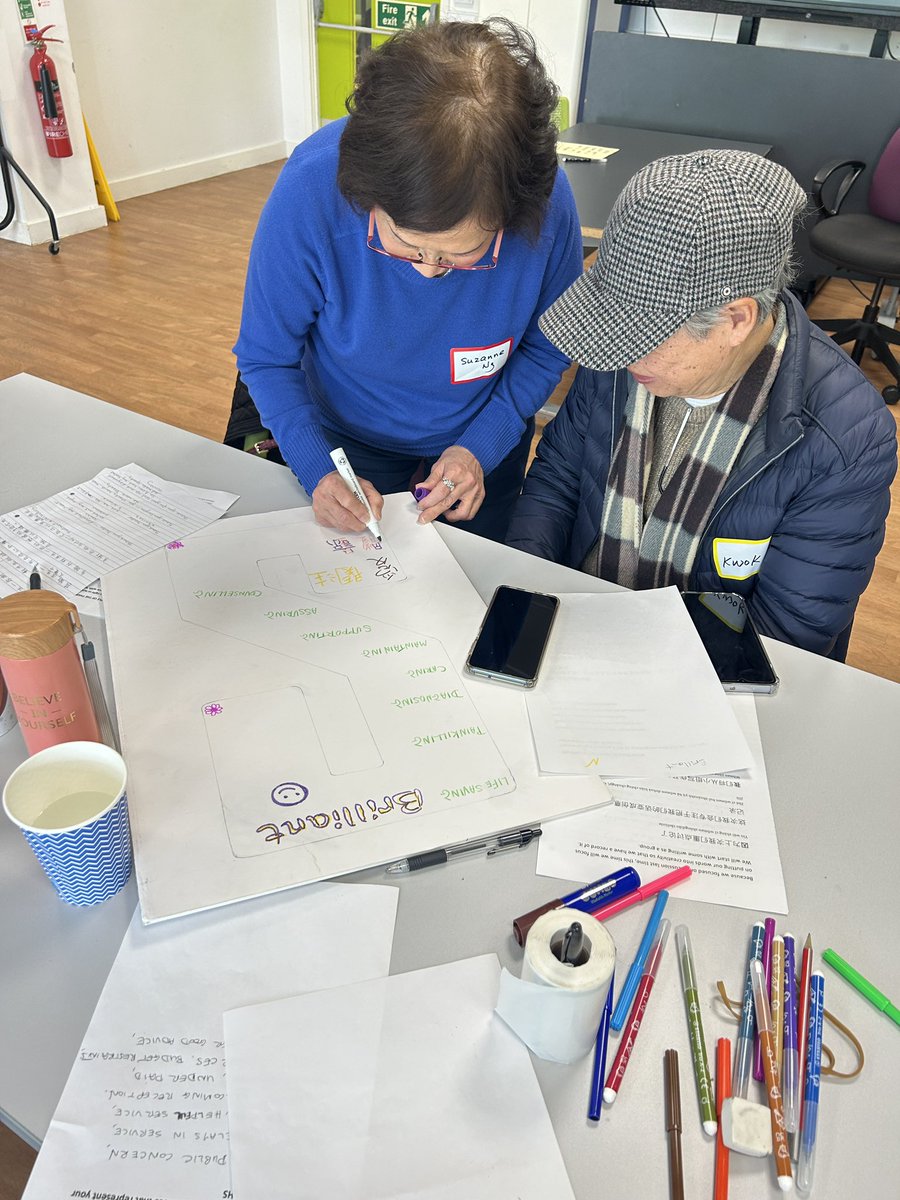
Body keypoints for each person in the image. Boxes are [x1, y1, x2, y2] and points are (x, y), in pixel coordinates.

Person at [506, 150, 897, 659]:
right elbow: (557, 481)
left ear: (736, 320)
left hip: (702, 672)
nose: (615, 352)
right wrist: (523, 602)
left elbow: (786, 635)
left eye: (639, 333)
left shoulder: (843, 439)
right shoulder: (618, 361)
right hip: (576, 629)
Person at [232, 18, 582, 544]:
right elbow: (267, 355)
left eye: (460, 253)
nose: (427, 269)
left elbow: (549, 346)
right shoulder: (312, 190)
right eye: (404, 242)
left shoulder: (548, 208)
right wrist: (319, 470)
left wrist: (480, 447)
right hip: (341, 439)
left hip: (486, 433)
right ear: (365, 192)